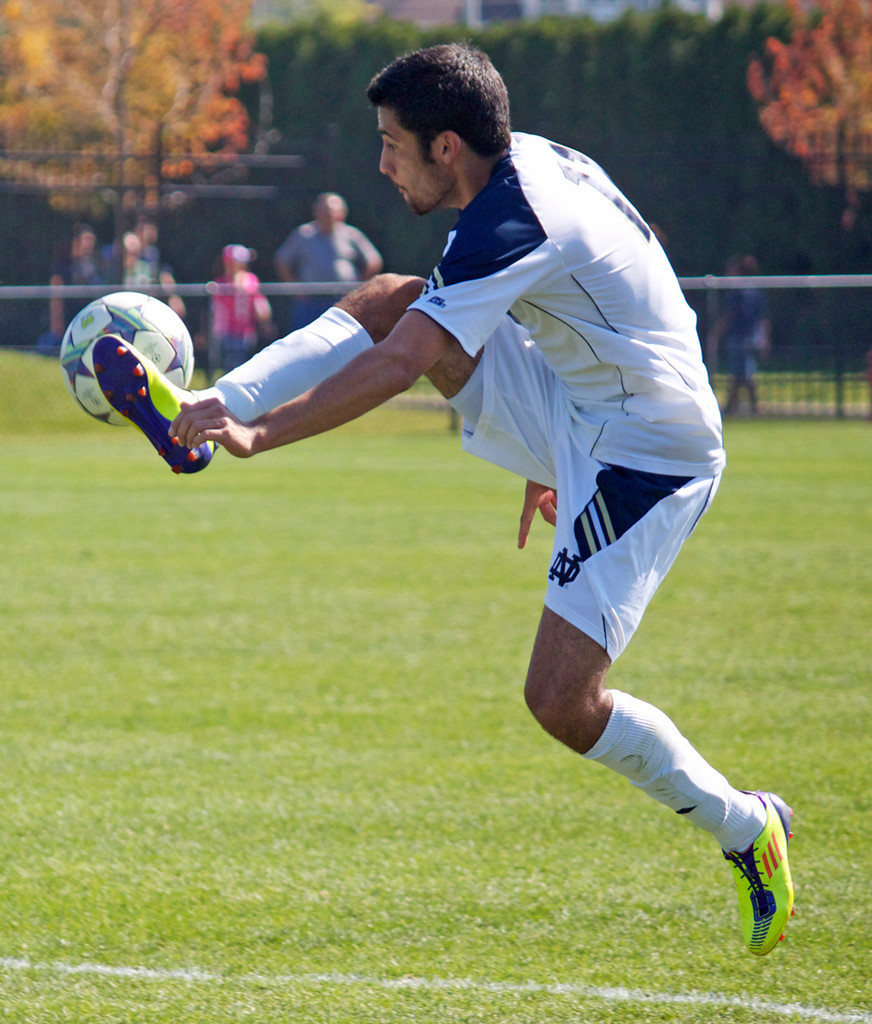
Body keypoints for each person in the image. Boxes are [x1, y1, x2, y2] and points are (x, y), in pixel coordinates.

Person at [91, 43, 794, 955]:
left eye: (393, 144)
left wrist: (264, 437)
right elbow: (594, 297)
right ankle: (204, 406)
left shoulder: (514, 217)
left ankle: (747, 826)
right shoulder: (521, 166)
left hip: (648, 454)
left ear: (448, 146)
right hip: (586, 403)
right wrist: (548, 442)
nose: (382, 164)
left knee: (562, 700)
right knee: (394, 297)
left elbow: (399, 366)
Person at [274, 192, 383, 330]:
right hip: (310, 302)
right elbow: (282, 260)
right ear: (316, 212)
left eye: (331, 211)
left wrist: (358, 288)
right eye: (323, 210)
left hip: (343, 300)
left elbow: (374, 260)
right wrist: (294, 288)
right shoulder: (303, 234)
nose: (327, 214)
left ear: (341, 213)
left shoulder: (351, 234)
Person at [709, 255, 770, 415]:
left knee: (742, 374)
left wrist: (716, 334)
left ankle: (743, 407)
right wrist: (763, 338)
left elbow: (729, 316)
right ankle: (737, 406)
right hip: (751, 337)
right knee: (742, 373)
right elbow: (763, 319)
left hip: (739, 337)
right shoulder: (755, 291)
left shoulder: (736, 293)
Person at [210, 244, 274, 373]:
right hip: (224, 334)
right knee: (226, 367)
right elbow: (215, 311)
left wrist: (266, 322)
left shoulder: (250, 279)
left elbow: (261, 308)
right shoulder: (220, 283)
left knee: (244, 367)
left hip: (245, 334)